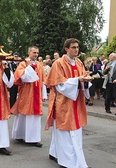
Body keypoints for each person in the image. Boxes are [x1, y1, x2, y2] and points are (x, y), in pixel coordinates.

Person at [44, 38, 92, 168]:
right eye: (73, 47)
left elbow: (82, 81)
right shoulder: (58, 63)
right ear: (66, 49)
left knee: (75, 134)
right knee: (65, 133)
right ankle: (67, 162)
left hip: (77, 102)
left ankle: (61, 155)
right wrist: (78, 80)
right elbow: (57, 85)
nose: (76, 49)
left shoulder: (79, 63)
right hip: (64, 103)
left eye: (77, 47)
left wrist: (86, 81)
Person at [11, 46, 47, 148]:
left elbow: (43, 80)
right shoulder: (23, 64)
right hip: (26, 94)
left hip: (36, 94)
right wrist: (29, 67)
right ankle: (19, 135)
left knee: (33, 117)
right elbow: (22, 77)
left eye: (37, 53)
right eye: (34, 52)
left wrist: (44, 94)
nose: (36, 55)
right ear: (29, 52)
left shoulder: (39, 65)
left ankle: (32, 138)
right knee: (23, 115)